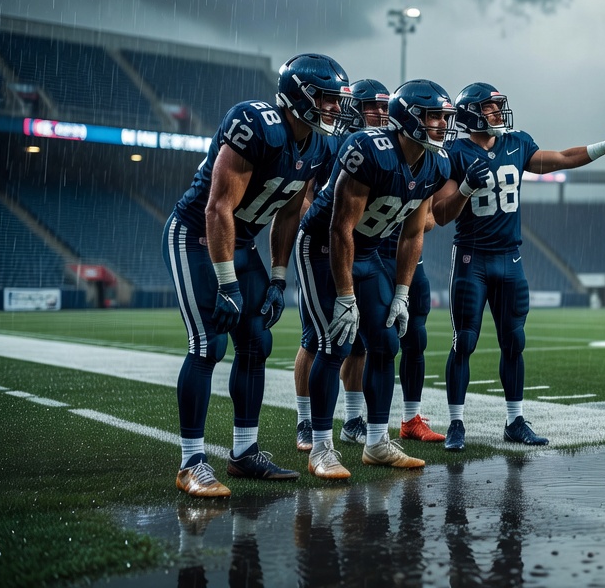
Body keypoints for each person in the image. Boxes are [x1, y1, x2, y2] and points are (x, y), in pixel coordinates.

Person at [163, 53, 353, 497]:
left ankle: (244, 452)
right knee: (208, 345)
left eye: (336, 99)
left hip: (244, 242)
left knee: (256, 343)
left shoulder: (320, 146)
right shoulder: (255, 124)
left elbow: (289, 212)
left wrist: (279, 277)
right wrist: (227, 283)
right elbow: (217, 208)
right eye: (326, 98)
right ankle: (191, 462)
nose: (334, 108)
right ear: (298, 97)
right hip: (197, 236)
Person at [432, 82, 605, 450]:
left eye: (498, 105)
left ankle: (515, 421)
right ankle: (456, 424)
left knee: (514, 341)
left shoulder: (516, 144)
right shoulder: (454, 154)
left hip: (509, 258)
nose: (498, 112)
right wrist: (464, 189)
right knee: (463, 341)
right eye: (490, 107)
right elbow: (441, 214)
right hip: (472, 258)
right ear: (472, 113)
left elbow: (562, 158)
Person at [300, 79, 455, 479]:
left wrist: (401, 293)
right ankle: (321, 447)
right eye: (434, 116)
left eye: (444, 116)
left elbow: (413, 234)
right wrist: (346, 295)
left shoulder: (436, 163)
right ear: (409, 119)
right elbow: (339, 227)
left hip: (367, 251)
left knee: (385, 343)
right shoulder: (368, 150)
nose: (442, 124)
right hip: (323, 247)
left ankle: (376, 443)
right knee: (334, 342)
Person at [292, 78, 389, 452]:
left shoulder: (383, 149)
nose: (380, 114)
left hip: (359, 250)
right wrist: (325, 223)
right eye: (372, 106)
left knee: (359, 343)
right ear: (354, 109)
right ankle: (305, 422)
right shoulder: (328, 141)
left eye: (385, 107)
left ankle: (352, 419)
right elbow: (301, 197)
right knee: (317, 339)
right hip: (322, 247)